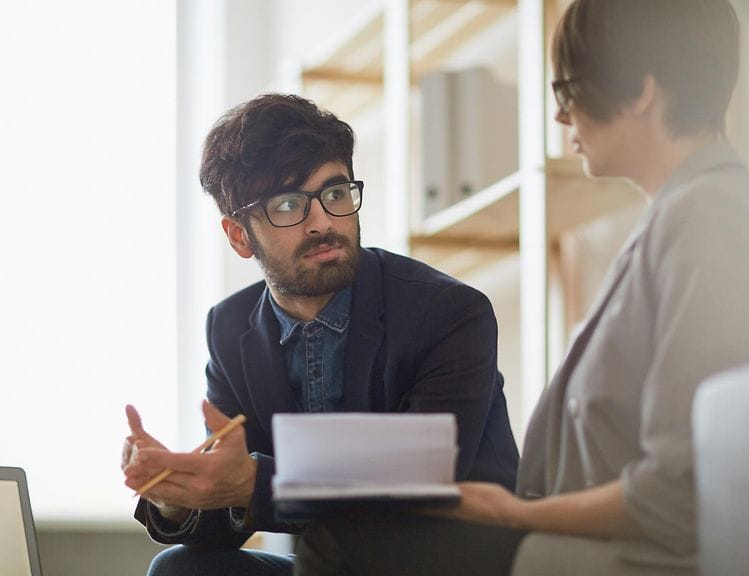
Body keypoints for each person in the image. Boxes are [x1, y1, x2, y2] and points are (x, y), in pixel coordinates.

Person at [294, 0, 749, 574]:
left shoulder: (711, 218)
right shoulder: (685, 215)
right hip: (592, 544)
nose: (560, 117)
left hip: (633, 557)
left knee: (341, 543)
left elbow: (677, 492)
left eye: (568, 88)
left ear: (643, 90)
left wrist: (511, 515)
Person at [120, 93, 521, 576]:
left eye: (334, 193)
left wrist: (252, 480)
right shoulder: (230, 330)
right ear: (239, 236)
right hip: (328, 567)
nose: (323, 222)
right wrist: (176, 498)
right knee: (181, 569)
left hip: (447, 563)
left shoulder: (451, 312)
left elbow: (423, 474)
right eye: (288, 205)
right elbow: (229, 516)